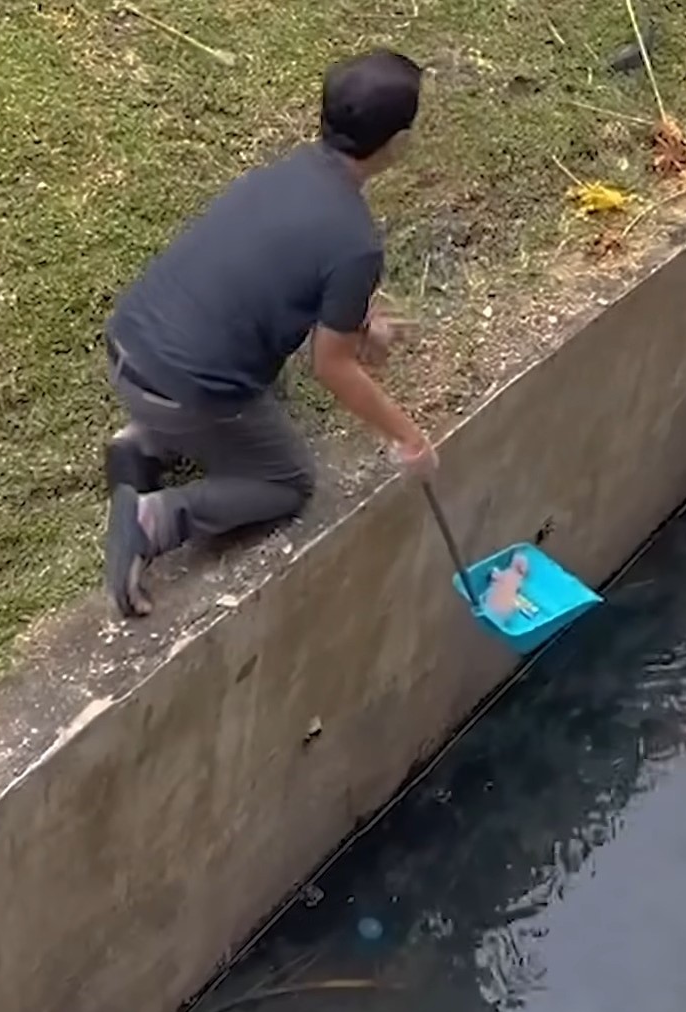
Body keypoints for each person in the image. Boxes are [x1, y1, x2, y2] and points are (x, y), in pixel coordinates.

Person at [103, 47, 438, 617]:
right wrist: (409, 438)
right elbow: (331, 366)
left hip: (128, 349)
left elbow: (286, 273)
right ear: (398, 144)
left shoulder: (285, 173)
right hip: (185, 389)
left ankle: (144, 442)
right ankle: (154, 518)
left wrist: (361, 321)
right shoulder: (356, 241)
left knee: (256, 386)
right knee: (287, 483)